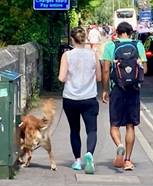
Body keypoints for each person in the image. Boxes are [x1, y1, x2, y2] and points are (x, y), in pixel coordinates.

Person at [101, 21, 147, 171]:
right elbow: (144, 69)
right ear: (130, 32)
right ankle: (127, 160)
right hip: (133, 89)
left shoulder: (111, 46)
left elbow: (106, 70)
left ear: (117, 32)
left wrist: (105, 90)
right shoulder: (138, 45)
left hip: (117, 90)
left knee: (114, 125)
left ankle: (119, 145)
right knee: (130, 125)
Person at [58, 27, 101, 173]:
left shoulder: (67, 55)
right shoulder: (93, 55)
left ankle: (77, 161)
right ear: (84, 39)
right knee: (92, 130)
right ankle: (89, 153)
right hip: (89, 98)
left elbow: (61, 78)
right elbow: (99, 78)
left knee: (74, 130)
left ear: (72, 39)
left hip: (71, 98)